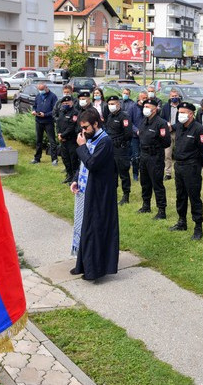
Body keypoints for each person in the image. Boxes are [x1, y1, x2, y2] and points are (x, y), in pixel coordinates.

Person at [69, 108, 119, 281]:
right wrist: (76, 179)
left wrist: (82, 147)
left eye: (86, 127)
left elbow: (92, 163)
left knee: (94, 229)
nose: (83, 132)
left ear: (96, 124)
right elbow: (82, 165)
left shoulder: (105, 142)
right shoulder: (90, 138)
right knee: (83, 226)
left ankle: (94, 269)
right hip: (86, 188)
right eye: (81, 128)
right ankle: (82, 264)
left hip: (100, 193)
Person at [169, 102, 203, 240]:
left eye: (183, 113)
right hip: (179, 166)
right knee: (180, 195)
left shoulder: (199, 130)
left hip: (191, 167)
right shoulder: (180, 127)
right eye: (179, 112)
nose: (180, 115)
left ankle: (198, 227)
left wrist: (197, 165)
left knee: (194, 197)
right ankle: (182, 222)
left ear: (191, 114)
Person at [137, 98, 171, 219]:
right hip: (144, 155)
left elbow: (166, 142)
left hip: (155, 156)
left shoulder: (160, 123)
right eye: (144, 106)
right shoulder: (144, 121)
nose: (145, 109)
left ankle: (161, 210)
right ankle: (146, 205)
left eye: (148, 107)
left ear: (154, 109)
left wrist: (155, 147)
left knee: (157, 183)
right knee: (145, 182)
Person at [104, 95, 133, 205]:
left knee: (123, 172)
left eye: (113, 104)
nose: (111, 106)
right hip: (111, 148)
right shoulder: (110, 116)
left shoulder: (124, 116)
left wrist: (119, 141)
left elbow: (128, 134)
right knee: (112, 172)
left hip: (120, 148)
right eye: (109, 104)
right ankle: (113, 193)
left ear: (118, 104)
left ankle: (126, 195)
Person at [30, 82, 58, 165]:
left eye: (42, 89)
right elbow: (34, 105)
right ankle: (37, 158)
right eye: (39, 89)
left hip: (48, 121)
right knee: (38, 140)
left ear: (46, 88)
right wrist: (34, 111)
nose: (40, 91)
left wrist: (45, 114)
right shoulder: (38, 96)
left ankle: (54, 159)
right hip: (38, 121)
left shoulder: (53, 96)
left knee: (52, 141)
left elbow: (54, 110)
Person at [55, 95, 79, 183]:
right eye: (64, 103)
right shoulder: (61, 111)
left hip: (71, 140)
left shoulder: (75, 113)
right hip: (63, 141)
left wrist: (63, 135)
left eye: (67, 102)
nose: (65, 104)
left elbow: (71, 127)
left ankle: (74, 178)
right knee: (65, 159)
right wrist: (59, 134)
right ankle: (69, 175)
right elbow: (57, 124)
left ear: (71, 103)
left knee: (73, 159)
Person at [160, 88, 182, 180]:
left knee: (179, 153)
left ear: (178, 96)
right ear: (170, 97)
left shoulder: (182, 106)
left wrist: (172, 126)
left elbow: (182, 121)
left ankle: (179, 172)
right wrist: (167, 124)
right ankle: (168, 173)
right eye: (172, 96)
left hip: (178, 132)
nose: (174, 98)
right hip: (168, 133)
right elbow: (161, 118)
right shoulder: (166, 107)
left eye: (176, 96)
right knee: (167, 154)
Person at [130, 91, 148, 180]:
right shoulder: (133, 107)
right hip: (135, 136)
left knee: (144, 156)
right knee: (135, 156)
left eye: (146, 98)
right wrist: (136, 130)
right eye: (143, 98)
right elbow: (130, 122)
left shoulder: (148, 108)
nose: (145, 100)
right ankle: (135, 173)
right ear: (139, 98)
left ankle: (143, 173)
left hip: (146, 136)